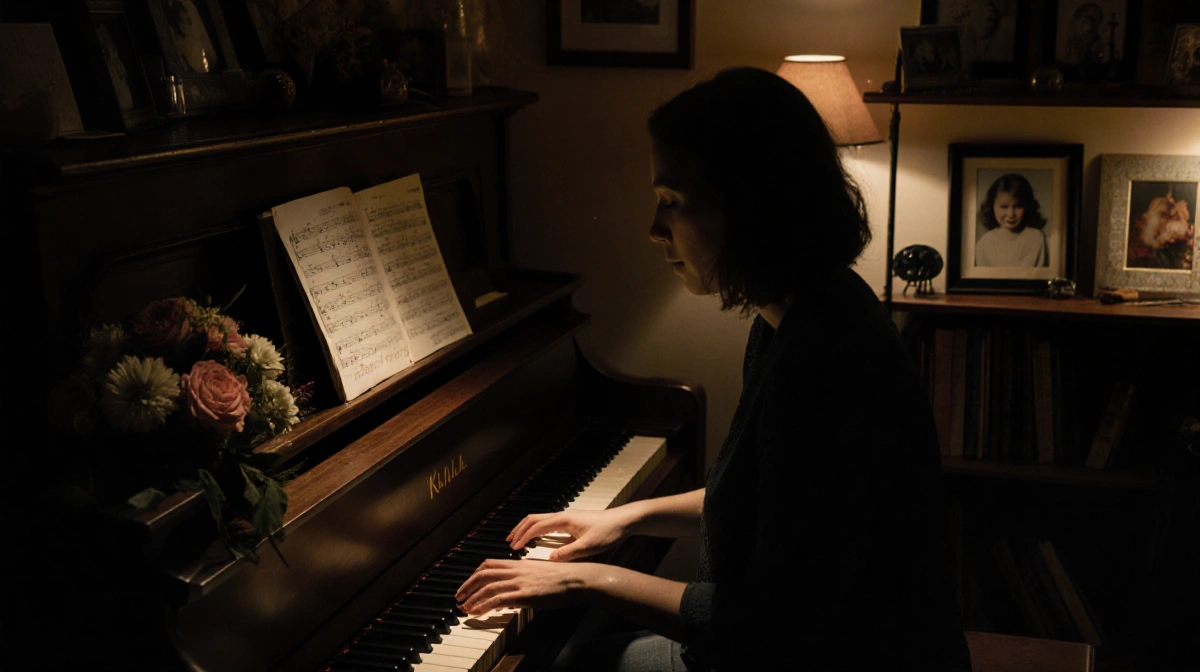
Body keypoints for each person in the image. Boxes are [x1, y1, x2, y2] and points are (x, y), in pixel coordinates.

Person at [454, 67, 971, 671]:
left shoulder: (826, 363)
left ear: (748, 205)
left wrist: (584, 582)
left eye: (671, 203)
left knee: (563, 663)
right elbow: (770, 498)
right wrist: (626, 516)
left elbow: (766, 623)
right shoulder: (798, 314)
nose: (653, 230)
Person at [974, 173, 1049, 268]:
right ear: (991, 206)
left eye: (1018, 206)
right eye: (1004, 207)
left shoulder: (1036, 239)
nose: (1011, 214)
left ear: (1027, 206)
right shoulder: (984, 244)